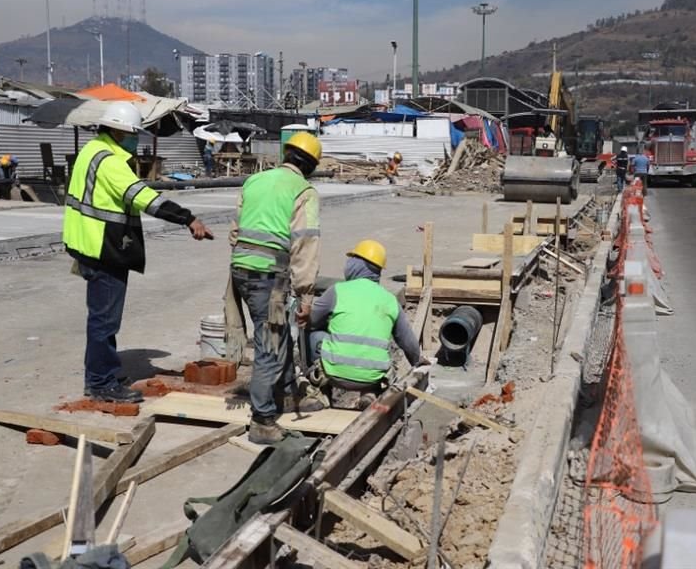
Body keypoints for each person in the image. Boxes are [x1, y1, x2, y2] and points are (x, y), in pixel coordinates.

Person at [63, 102, 213, 403]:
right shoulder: (109, 161)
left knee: (104, 319)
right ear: (119, 131)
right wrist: (187, 218)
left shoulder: (93, 150)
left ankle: (108, 371)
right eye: (133, 134)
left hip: (88, 244)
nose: (136, 140)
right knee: (104, 321)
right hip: (102, 247)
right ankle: (100, 383)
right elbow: (144, 198)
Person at [226, 132, 322, 445]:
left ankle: (287, 394)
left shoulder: (256, 181)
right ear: (310, 167)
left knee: (279, 338)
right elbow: (305, 245)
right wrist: (306, 294)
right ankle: (263, 420)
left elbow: (235, 230)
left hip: (241, 271)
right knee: (270, 343)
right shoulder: (304, 191)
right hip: (269, 276)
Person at [305, 240, 425, 410]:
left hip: (334, 375)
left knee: (312, 334)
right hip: (372, 377)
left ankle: (320, 391)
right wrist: (418, 362)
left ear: (358, 264)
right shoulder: (390, 300)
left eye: (352, 258)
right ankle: (370, 392)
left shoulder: (337, 290)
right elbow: (408, 343)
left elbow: (311, 321)